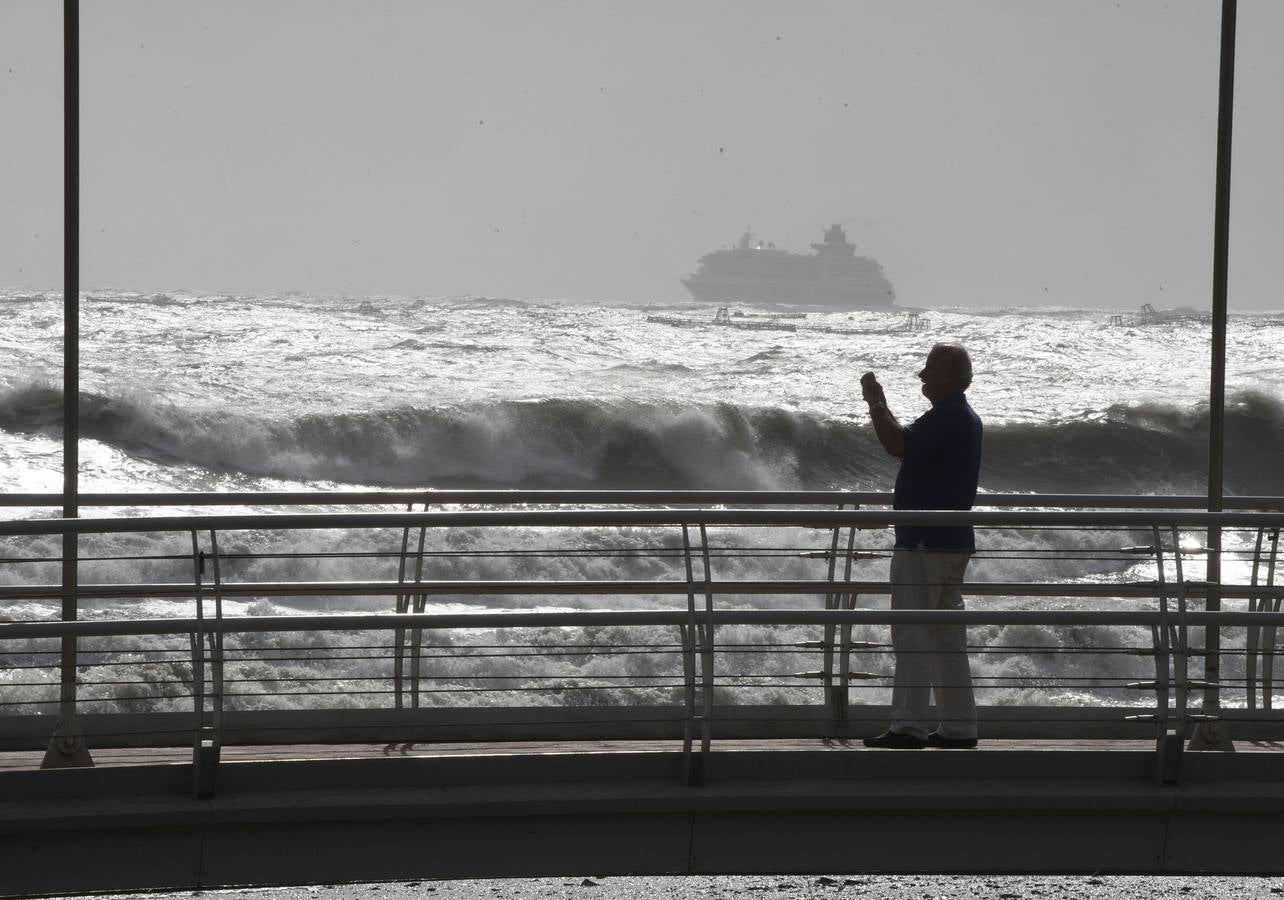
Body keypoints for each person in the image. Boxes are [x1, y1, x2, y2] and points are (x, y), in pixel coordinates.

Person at [860, 344, 983, 749]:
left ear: (950, 376)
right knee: (947, 639)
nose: (922, 375)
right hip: (950, 539)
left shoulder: (947, 417)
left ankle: (908, 726)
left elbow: (896, 443)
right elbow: (909, 445)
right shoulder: (961, 417)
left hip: (924, 542)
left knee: (912, 633)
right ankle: (959, 727)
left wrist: (876, 402)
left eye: (930, 369)